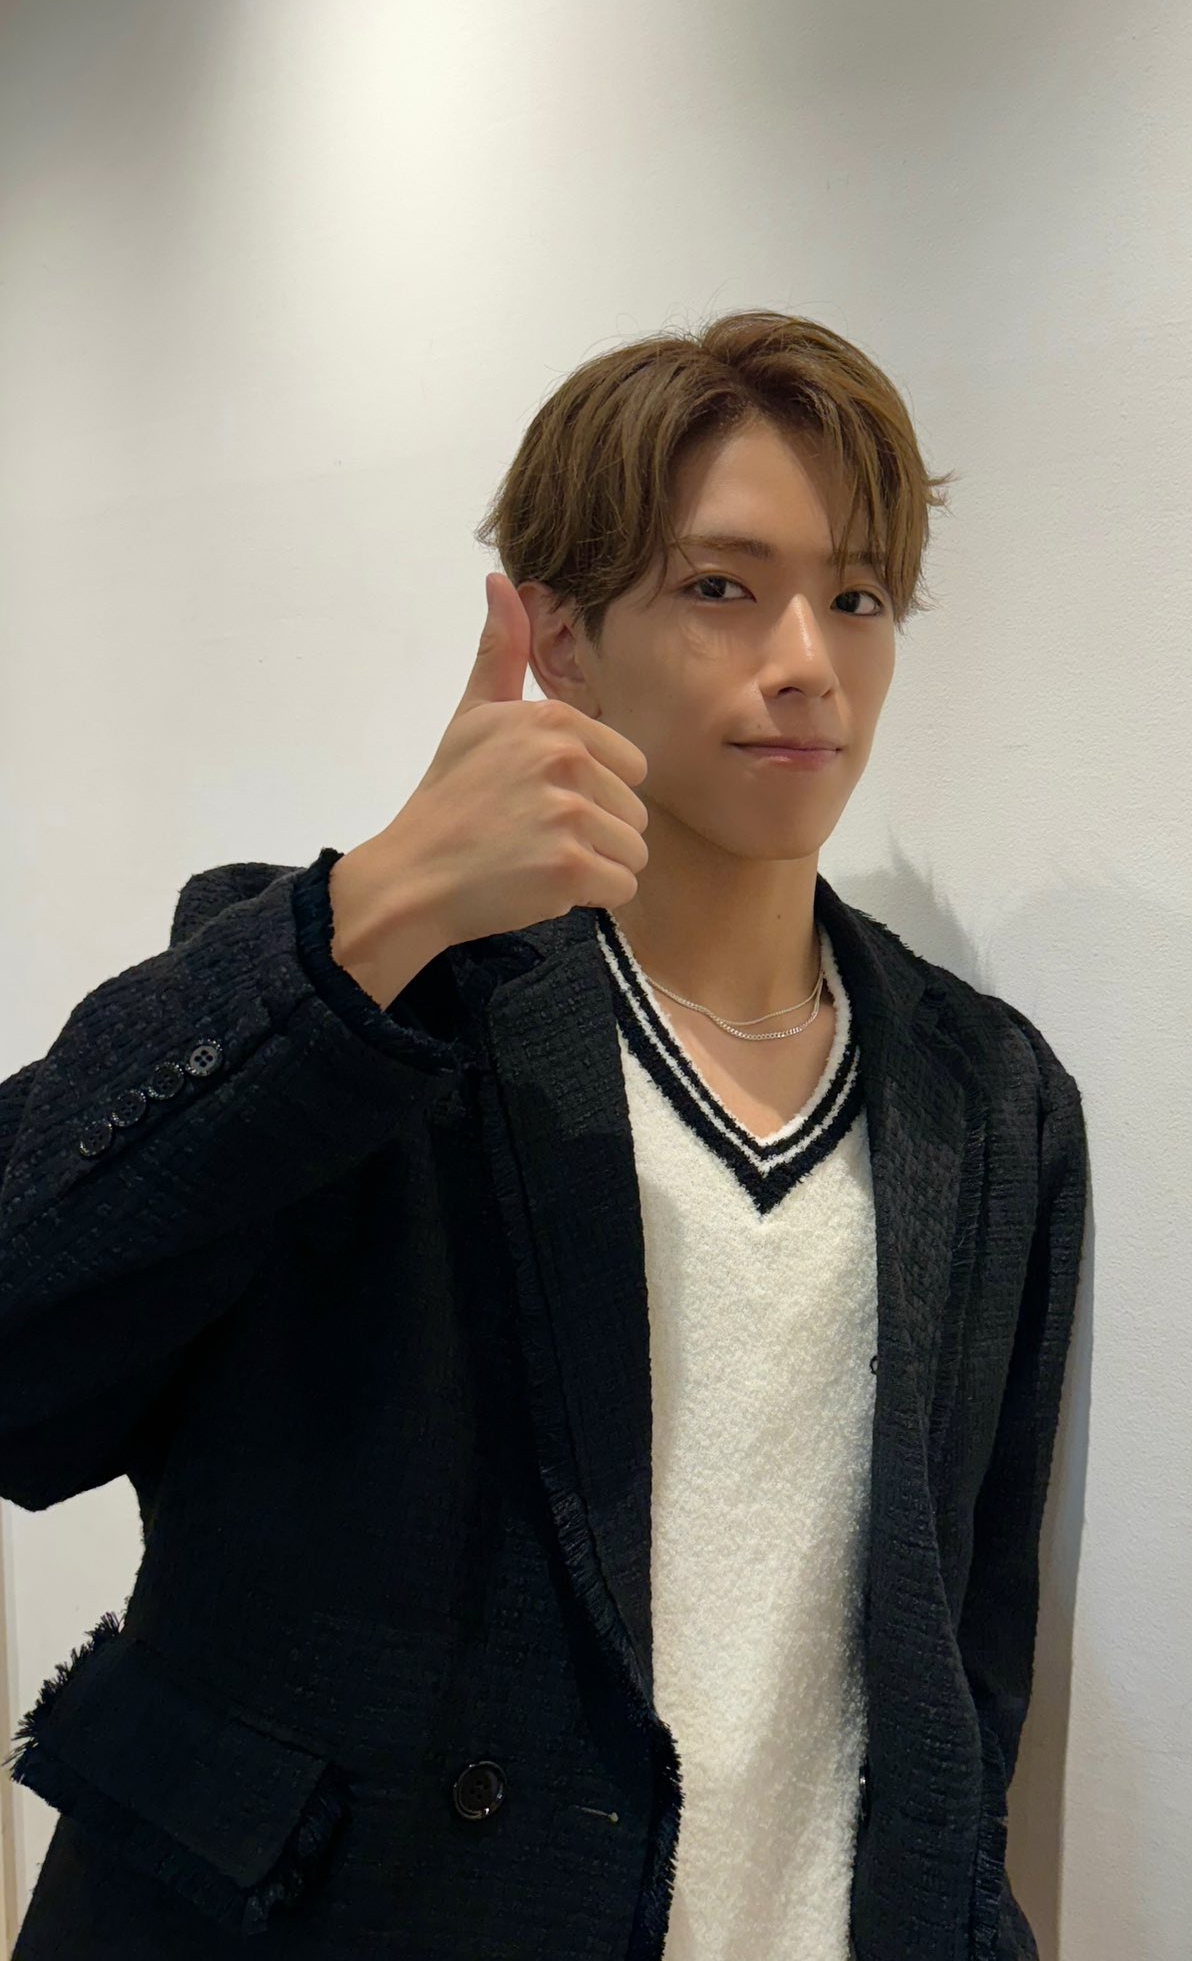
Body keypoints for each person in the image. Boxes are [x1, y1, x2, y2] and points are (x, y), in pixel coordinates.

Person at [0, 309, 1088, 1960]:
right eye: (721, 588)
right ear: (562, 640)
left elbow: (964, 1658)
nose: (809, 658)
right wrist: (373, 915)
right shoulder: (373, 1000)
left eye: (860, 597)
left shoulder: (985, 1097)